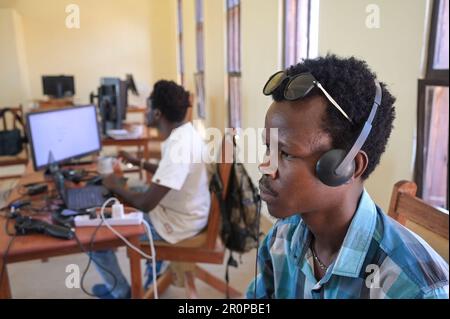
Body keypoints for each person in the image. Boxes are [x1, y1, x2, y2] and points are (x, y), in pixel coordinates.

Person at [247, 55, 449, 299]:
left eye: (286, 153)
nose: (266, 166)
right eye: (269, 147)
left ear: (346, 166)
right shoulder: (280, 240)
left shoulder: (415, 290)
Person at [91, 80, 211, 299]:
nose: (144, 112)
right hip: (188, 213)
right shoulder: (186, 133)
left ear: (156, 114)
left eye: (147, 108)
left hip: (176, 225)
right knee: (130, 191)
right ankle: (149, 274)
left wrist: (115, 184)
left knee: (94, 233)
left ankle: (121, 292)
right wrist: (138, 163)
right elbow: (171, 174)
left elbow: (146, 203)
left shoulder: (179, 146)